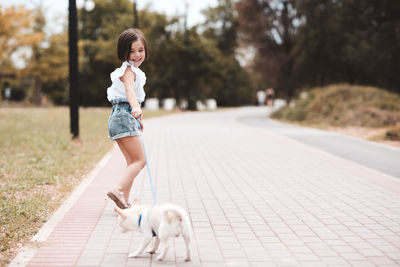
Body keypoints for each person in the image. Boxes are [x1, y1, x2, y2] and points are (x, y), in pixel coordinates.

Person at [106, 28, 148, 209]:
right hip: (124, 114)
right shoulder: (129, 71)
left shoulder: (127, 70)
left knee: (132, 161)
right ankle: (117, 189)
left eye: (140, 50)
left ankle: (123, 201)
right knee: (141, 160)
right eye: (131, 51)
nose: (137, 55)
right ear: (123, 53)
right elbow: (130, 91)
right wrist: (136, 107)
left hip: (118, 116)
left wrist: (137, 116)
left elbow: (129, 96)